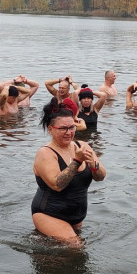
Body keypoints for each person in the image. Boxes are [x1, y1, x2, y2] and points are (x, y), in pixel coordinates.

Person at [32, 99, 106, 244]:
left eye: (72, 127)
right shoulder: (45, 153)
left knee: (69, 257)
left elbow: (101, 177)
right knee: (75, 246)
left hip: (76, 216)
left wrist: (94, 166)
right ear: (51, 129)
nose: (69, 132)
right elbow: (57, 184)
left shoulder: (82, 146)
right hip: (48, 213)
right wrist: (77, 161)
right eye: (63, 128)